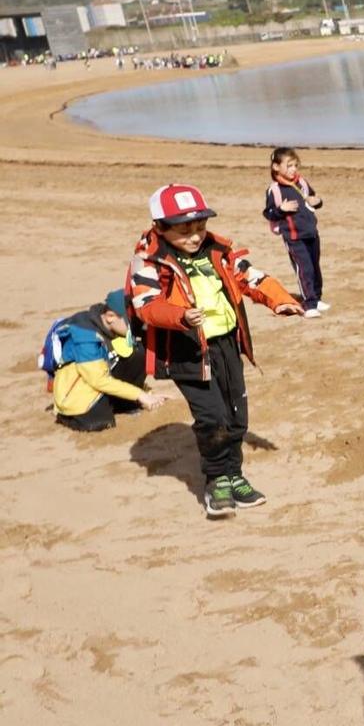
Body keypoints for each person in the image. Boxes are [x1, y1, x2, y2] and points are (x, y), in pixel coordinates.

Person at [128, 183, 304, 517]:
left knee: (237, 416)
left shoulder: (216, 250)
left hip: (226, 345)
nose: (194, 236)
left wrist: (281, 301)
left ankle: (235, 475)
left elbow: (250, 276)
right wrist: (179, 316)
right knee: (212, 419)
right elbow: (145, 305)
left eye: (199, 227)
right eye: (184, 230)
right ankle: (217, 481)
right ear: (160, 227)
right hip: (187, 349)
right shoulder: (149, 259)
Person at [48, 290, 168, 431]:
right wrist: (140, 395)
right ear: (110, 316)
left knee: (139, 351)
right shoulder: (85, 335)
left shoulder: (112, 325)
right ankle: (65, 417)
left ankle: (125, 403)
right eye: (131, 322)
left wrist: (147, 393)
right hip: (76, 390)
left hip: (100, 374)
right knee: (100, 422)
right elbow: (98, 380)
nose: (135, 327)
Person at [263, 146, 327, 317]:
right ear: (276, 167)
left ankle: (317, 298)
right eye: (289, 165)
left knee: (315, 266)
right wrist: (281, 209)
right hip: (293, 236)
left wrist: (318, 201)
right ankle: (309, 304)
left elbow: (313, 199)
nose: (293, 170)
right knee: (304, 268)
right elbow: (268, 213)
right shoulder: (274, 190)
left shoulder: (302, 183)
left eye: (295, 166)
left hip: (311, 232)